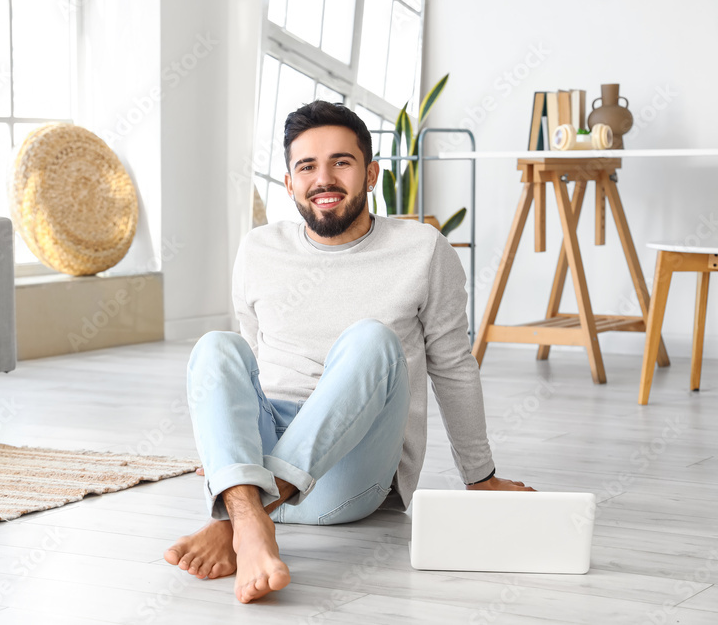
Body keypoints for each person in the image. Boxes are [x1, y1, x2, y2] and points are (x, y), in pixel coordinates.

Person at [164, 100, 534, 604]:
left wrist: (481, 477)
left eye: (341, 162)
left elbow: (452, 365)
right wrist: (224, 446)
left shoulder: (423, 249)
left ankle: (240, 520)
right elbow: (247, 360)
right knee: (216, 347)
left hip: (349, 478)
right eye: (307, 166)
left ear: (371, 173)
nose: (324, 178)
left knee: (372, 340)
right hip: (260, 456)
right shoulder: (258, 249)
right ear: (290, 181)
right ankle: (252, 523)